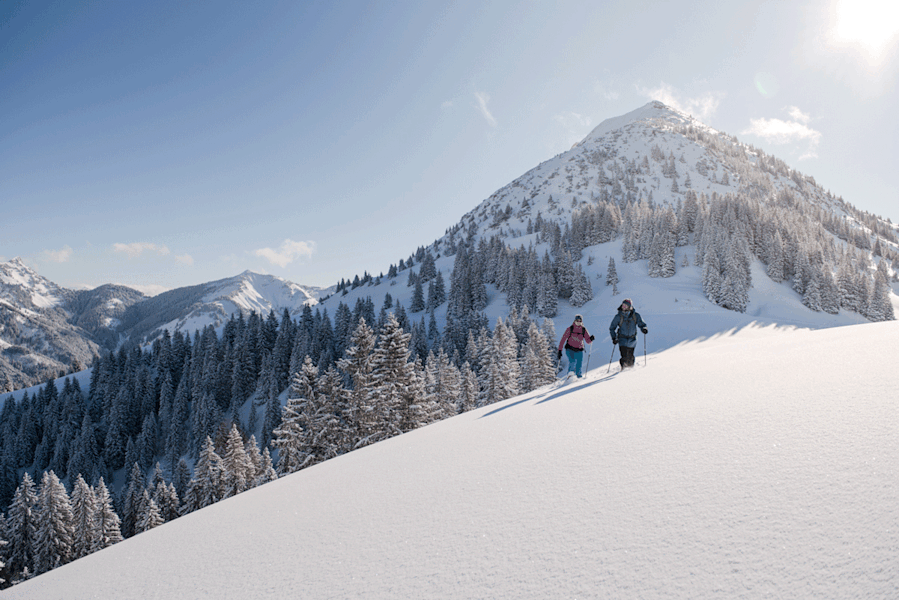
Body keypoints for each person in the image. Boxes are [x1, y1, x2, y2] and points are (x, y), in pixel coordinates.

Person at [609, 298, 648, 370]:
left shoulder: (635, 316)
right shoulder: (618, 317)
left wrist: (644, 329)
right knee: (624, 357)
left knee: (630, 357)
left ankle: (630, 372)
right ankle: (623, 370)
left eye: (625, 306)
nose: (623, 307)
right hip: (622, 339)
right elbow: (612, 328)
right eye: (623, 305)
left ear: (630, 307)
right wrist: (614, 338)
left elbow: (642, 324)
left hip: (632, 340)